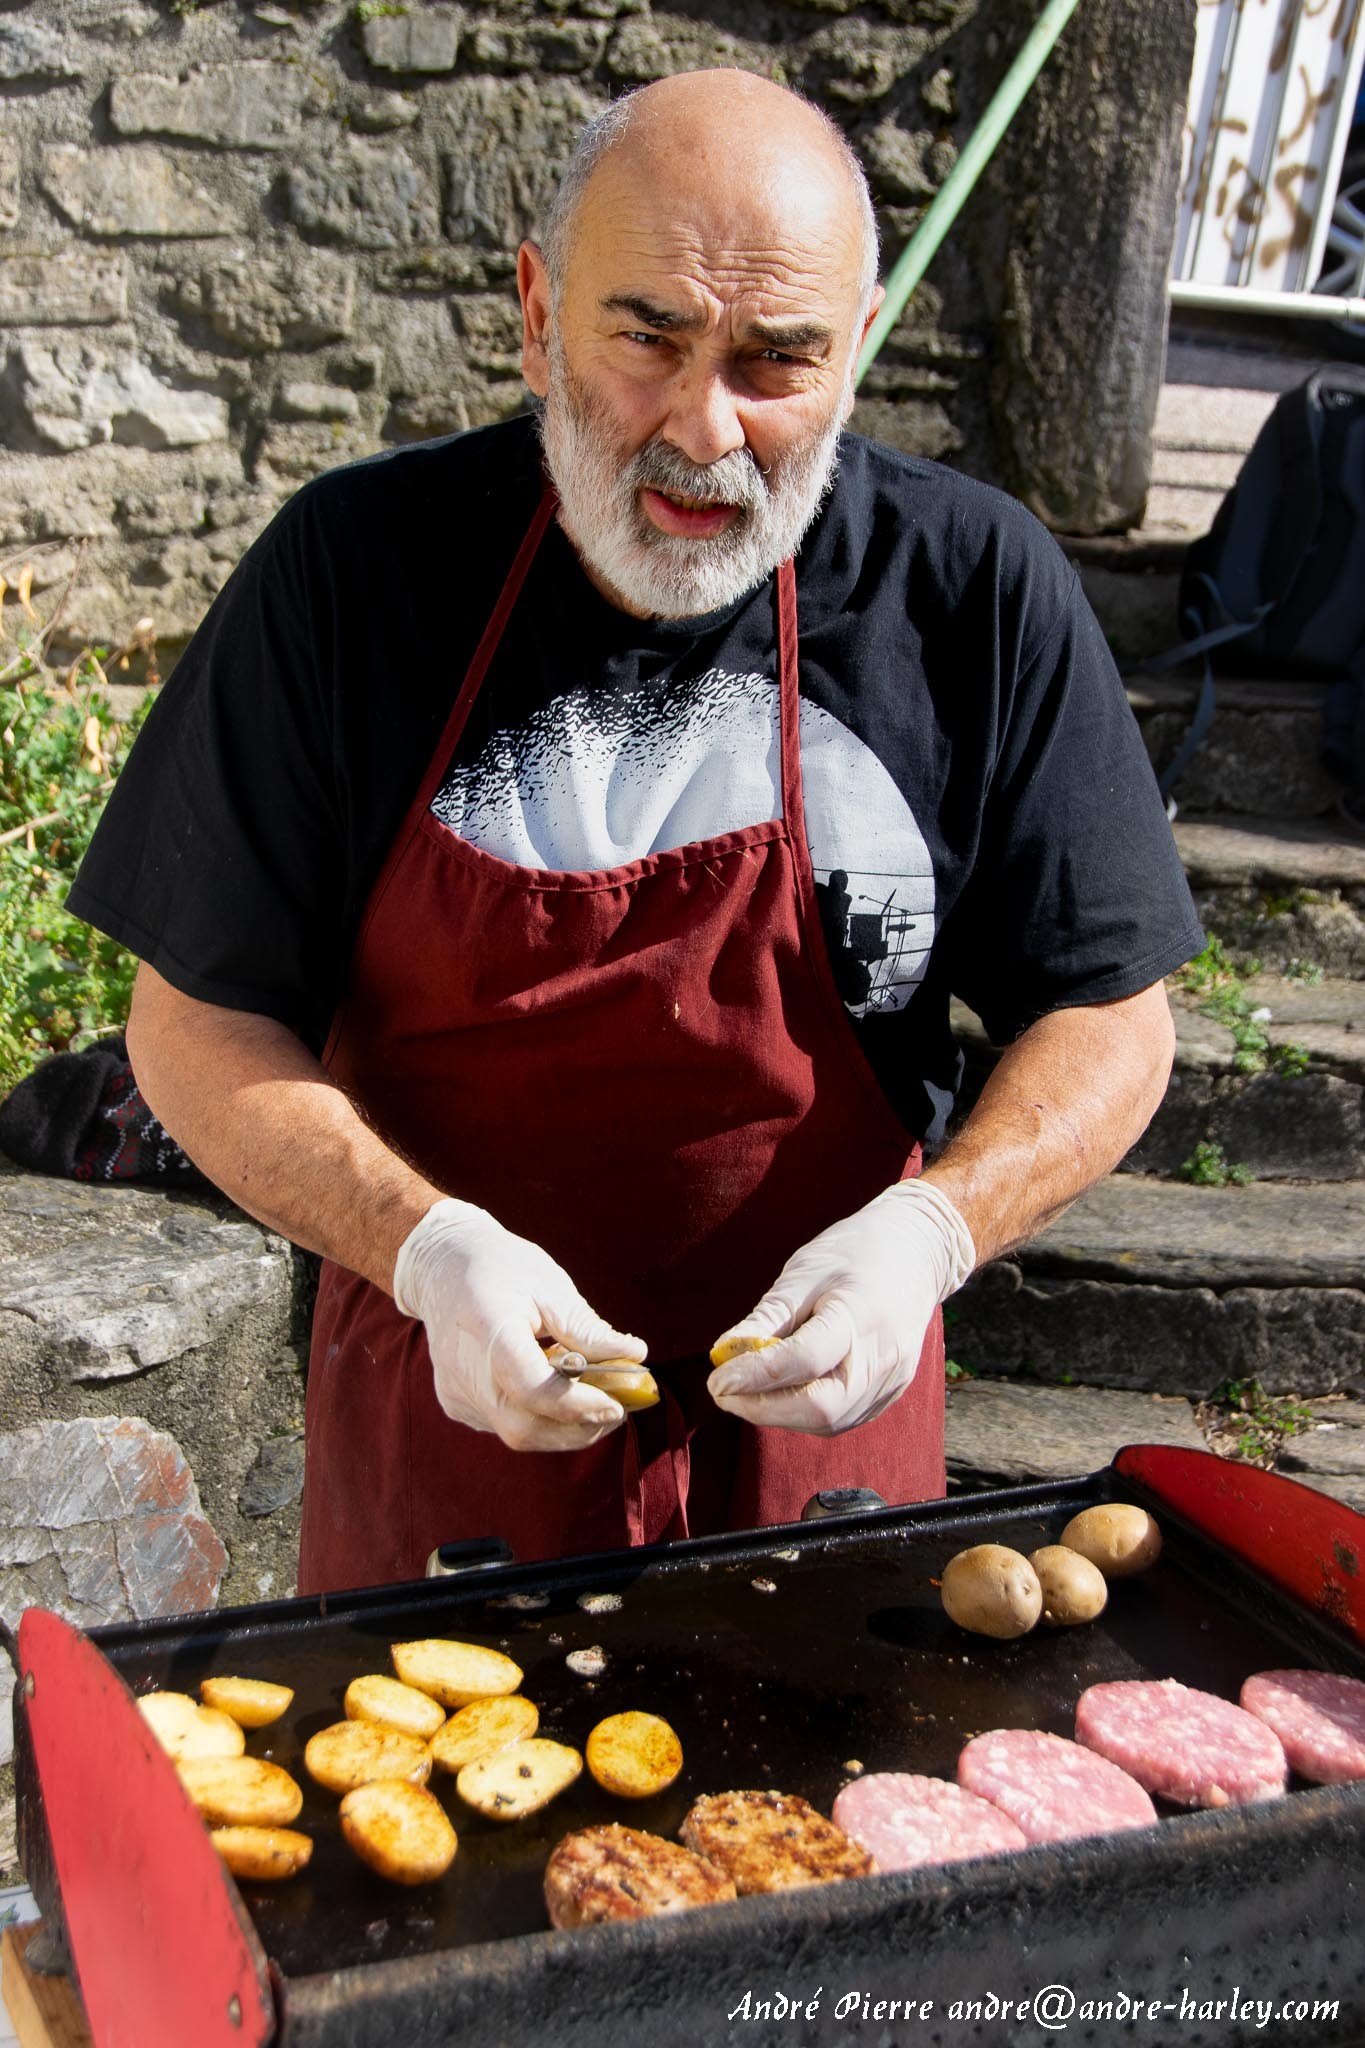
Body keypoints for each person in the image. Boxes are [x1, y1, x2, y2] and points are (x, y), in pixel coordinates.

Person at [68, 70, 1201, 1592]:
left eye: (776, 358)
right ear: (537, 311)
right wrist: (424, 1250)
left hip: (826, 1481)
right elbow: (198, 1024)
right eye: (647, 336)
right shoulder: (350, 580)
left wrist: (930, 1235)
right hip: (443, 1445)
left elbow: (1111, 1014)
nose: (703, 426)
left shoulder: (971, 591)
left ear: (856, 349)